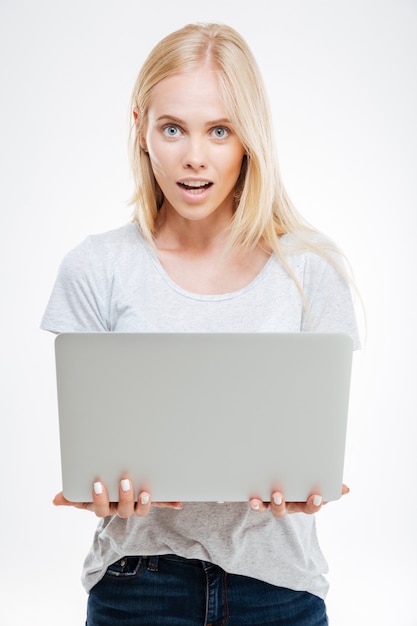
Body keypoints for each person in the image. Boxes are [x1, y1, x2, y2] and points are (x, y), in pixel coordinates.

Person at [41, 22, 360, 626]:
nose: (195, 157)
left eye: (219, 130)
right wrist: (95, 494)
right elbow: (89, 458)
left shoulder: (310, 270)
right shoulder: (97, 267)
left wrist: (314, 486)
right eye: (172, 129)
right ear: (140, 128)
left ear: (249, 138)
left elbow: (322, 450)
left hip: (278, 588)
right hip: (138, 585)